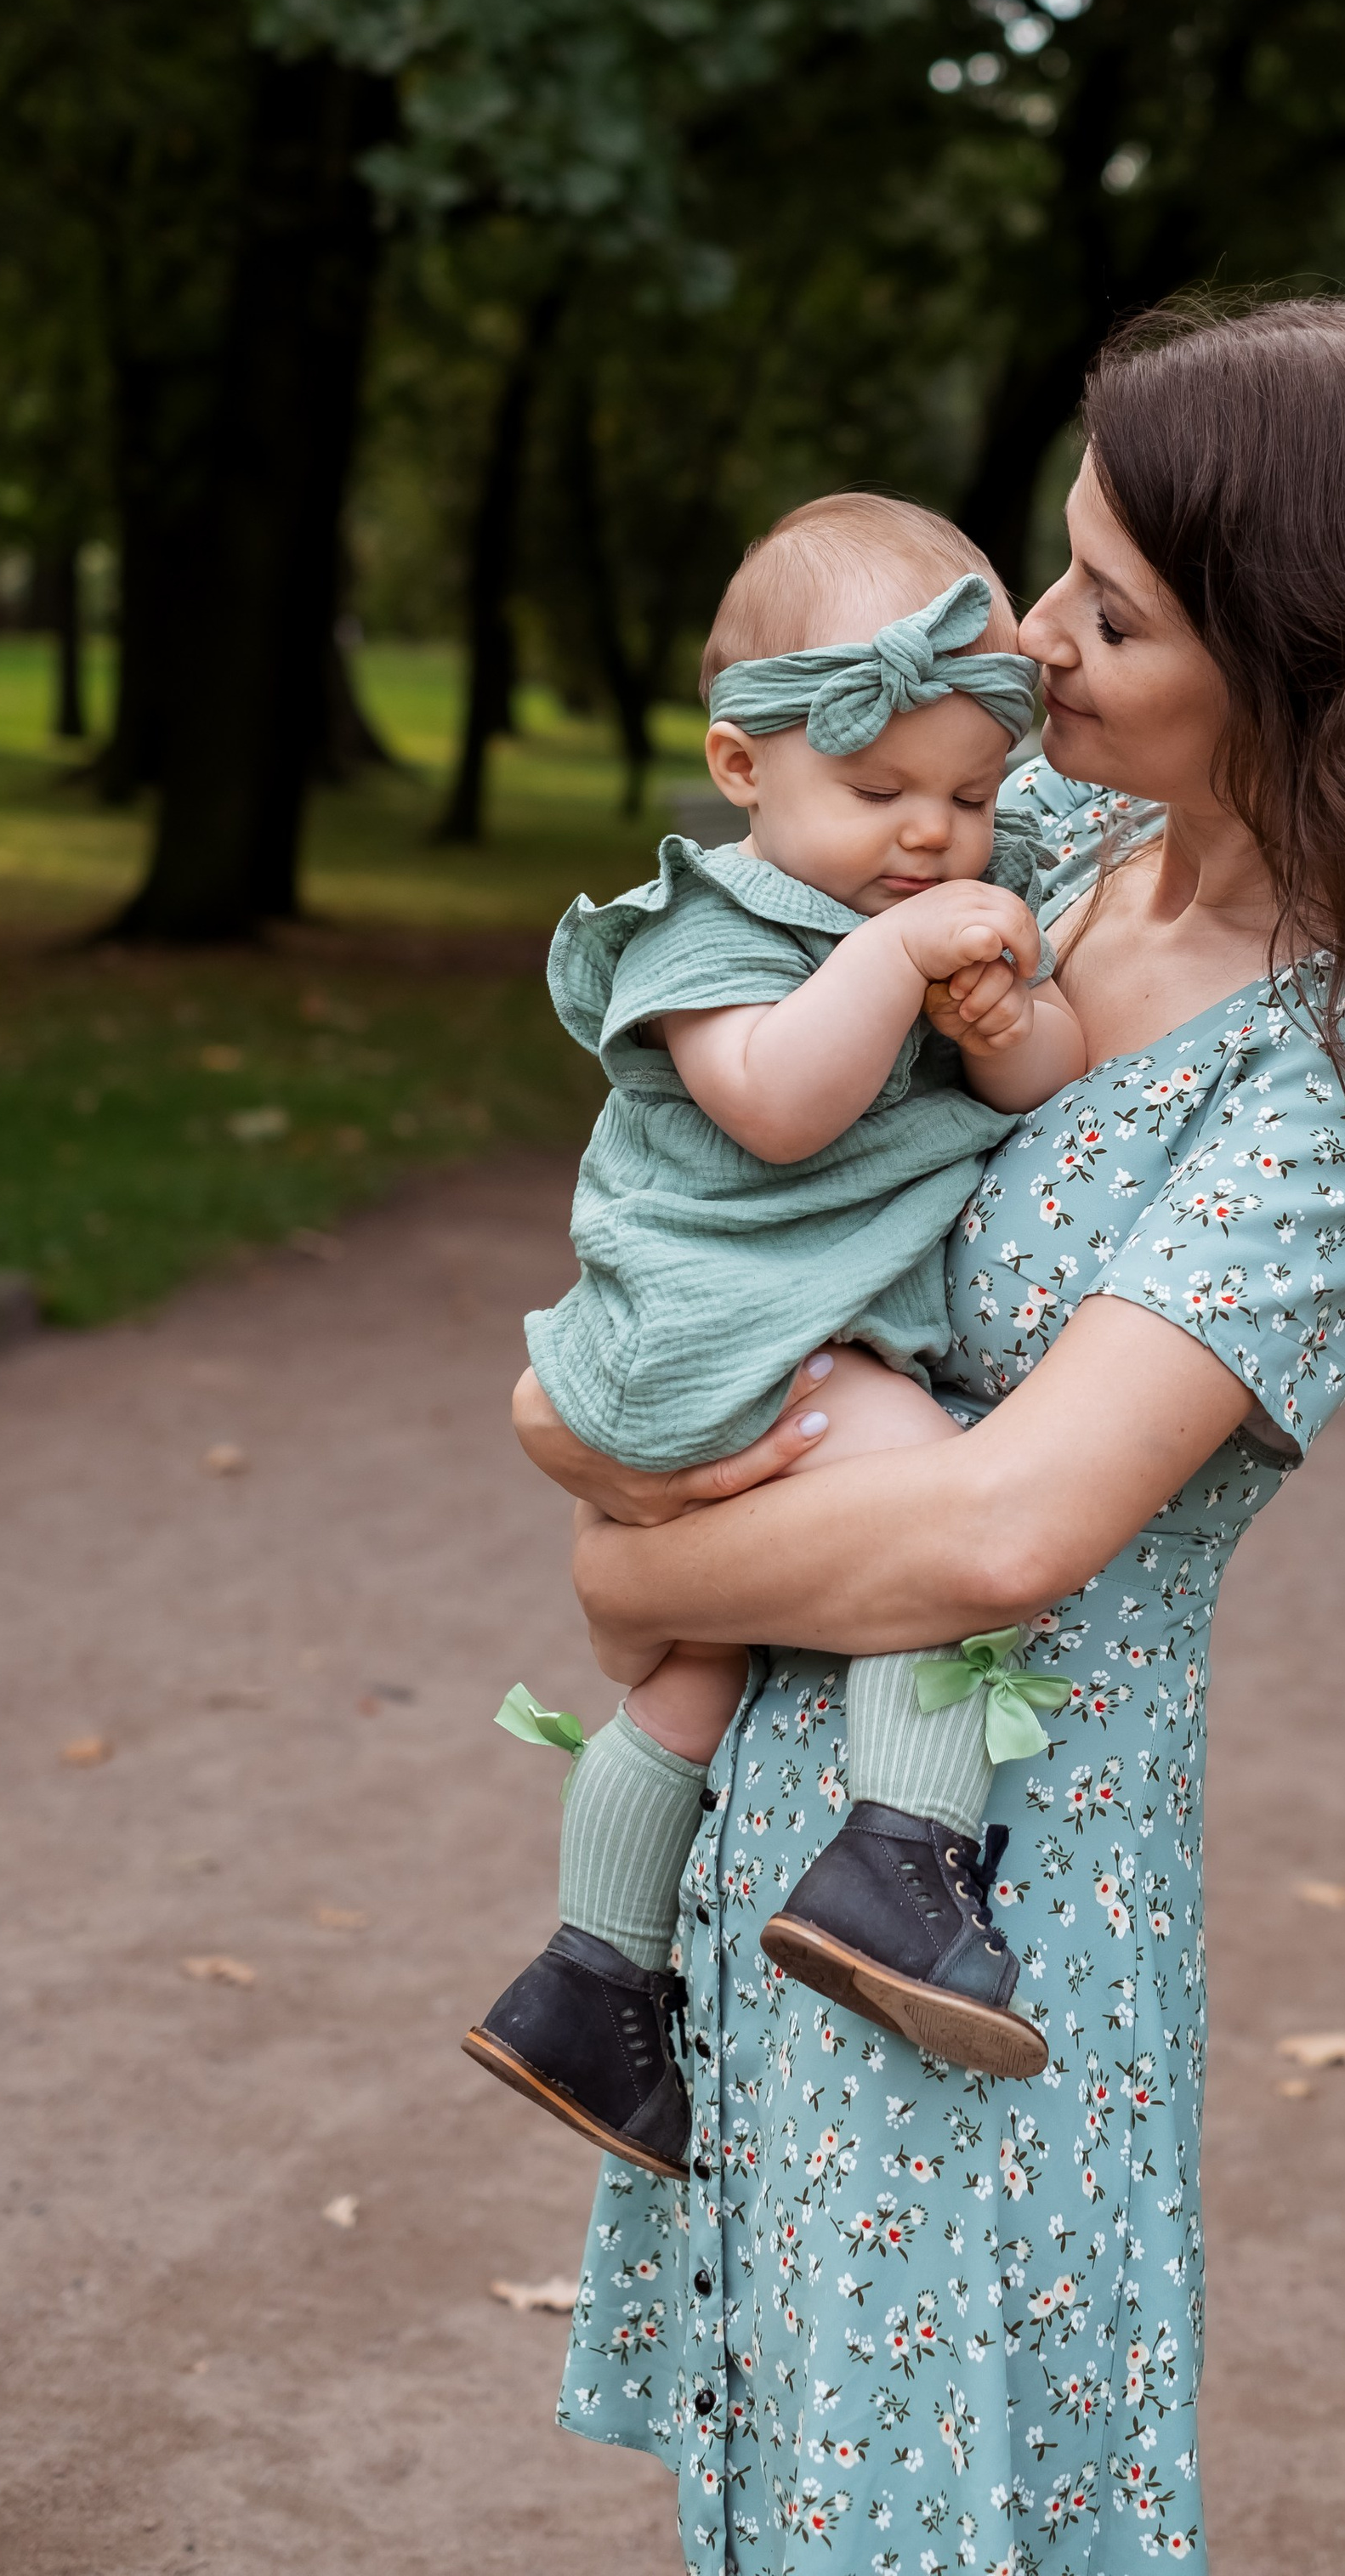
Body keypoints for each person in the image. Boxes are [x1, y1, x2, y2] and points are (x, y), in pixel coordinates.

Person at [513, 297, 1345, 2574]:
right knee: (786, 2473)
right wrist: (573, 1402)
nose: (1028, 640)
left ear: (1303, 661)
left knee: (932, 2500)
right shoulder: (1047, 828)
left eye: (1108, 610)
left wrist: (632, 1569)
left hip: (989, 1885)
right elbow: (702, 1164)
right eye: (1058, 566)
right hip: (760, 1824)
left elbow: (1020, 1523)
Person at [468, 498, 1098, 2181]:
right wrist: (896, 961)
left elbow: (1045, 1079)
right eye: (880, 794)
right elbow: (778, 1114)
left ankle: (590, 1982)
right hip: (716, 1326)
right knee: (933, 1520)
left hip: (772, 1340)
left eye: (968, 798)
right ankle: (901, 1861)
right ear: (743, 771)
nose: (932, 840)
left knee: (690, 1679)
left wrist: (1006, 1011)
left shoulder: (955, 899)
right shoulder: (703, 929)